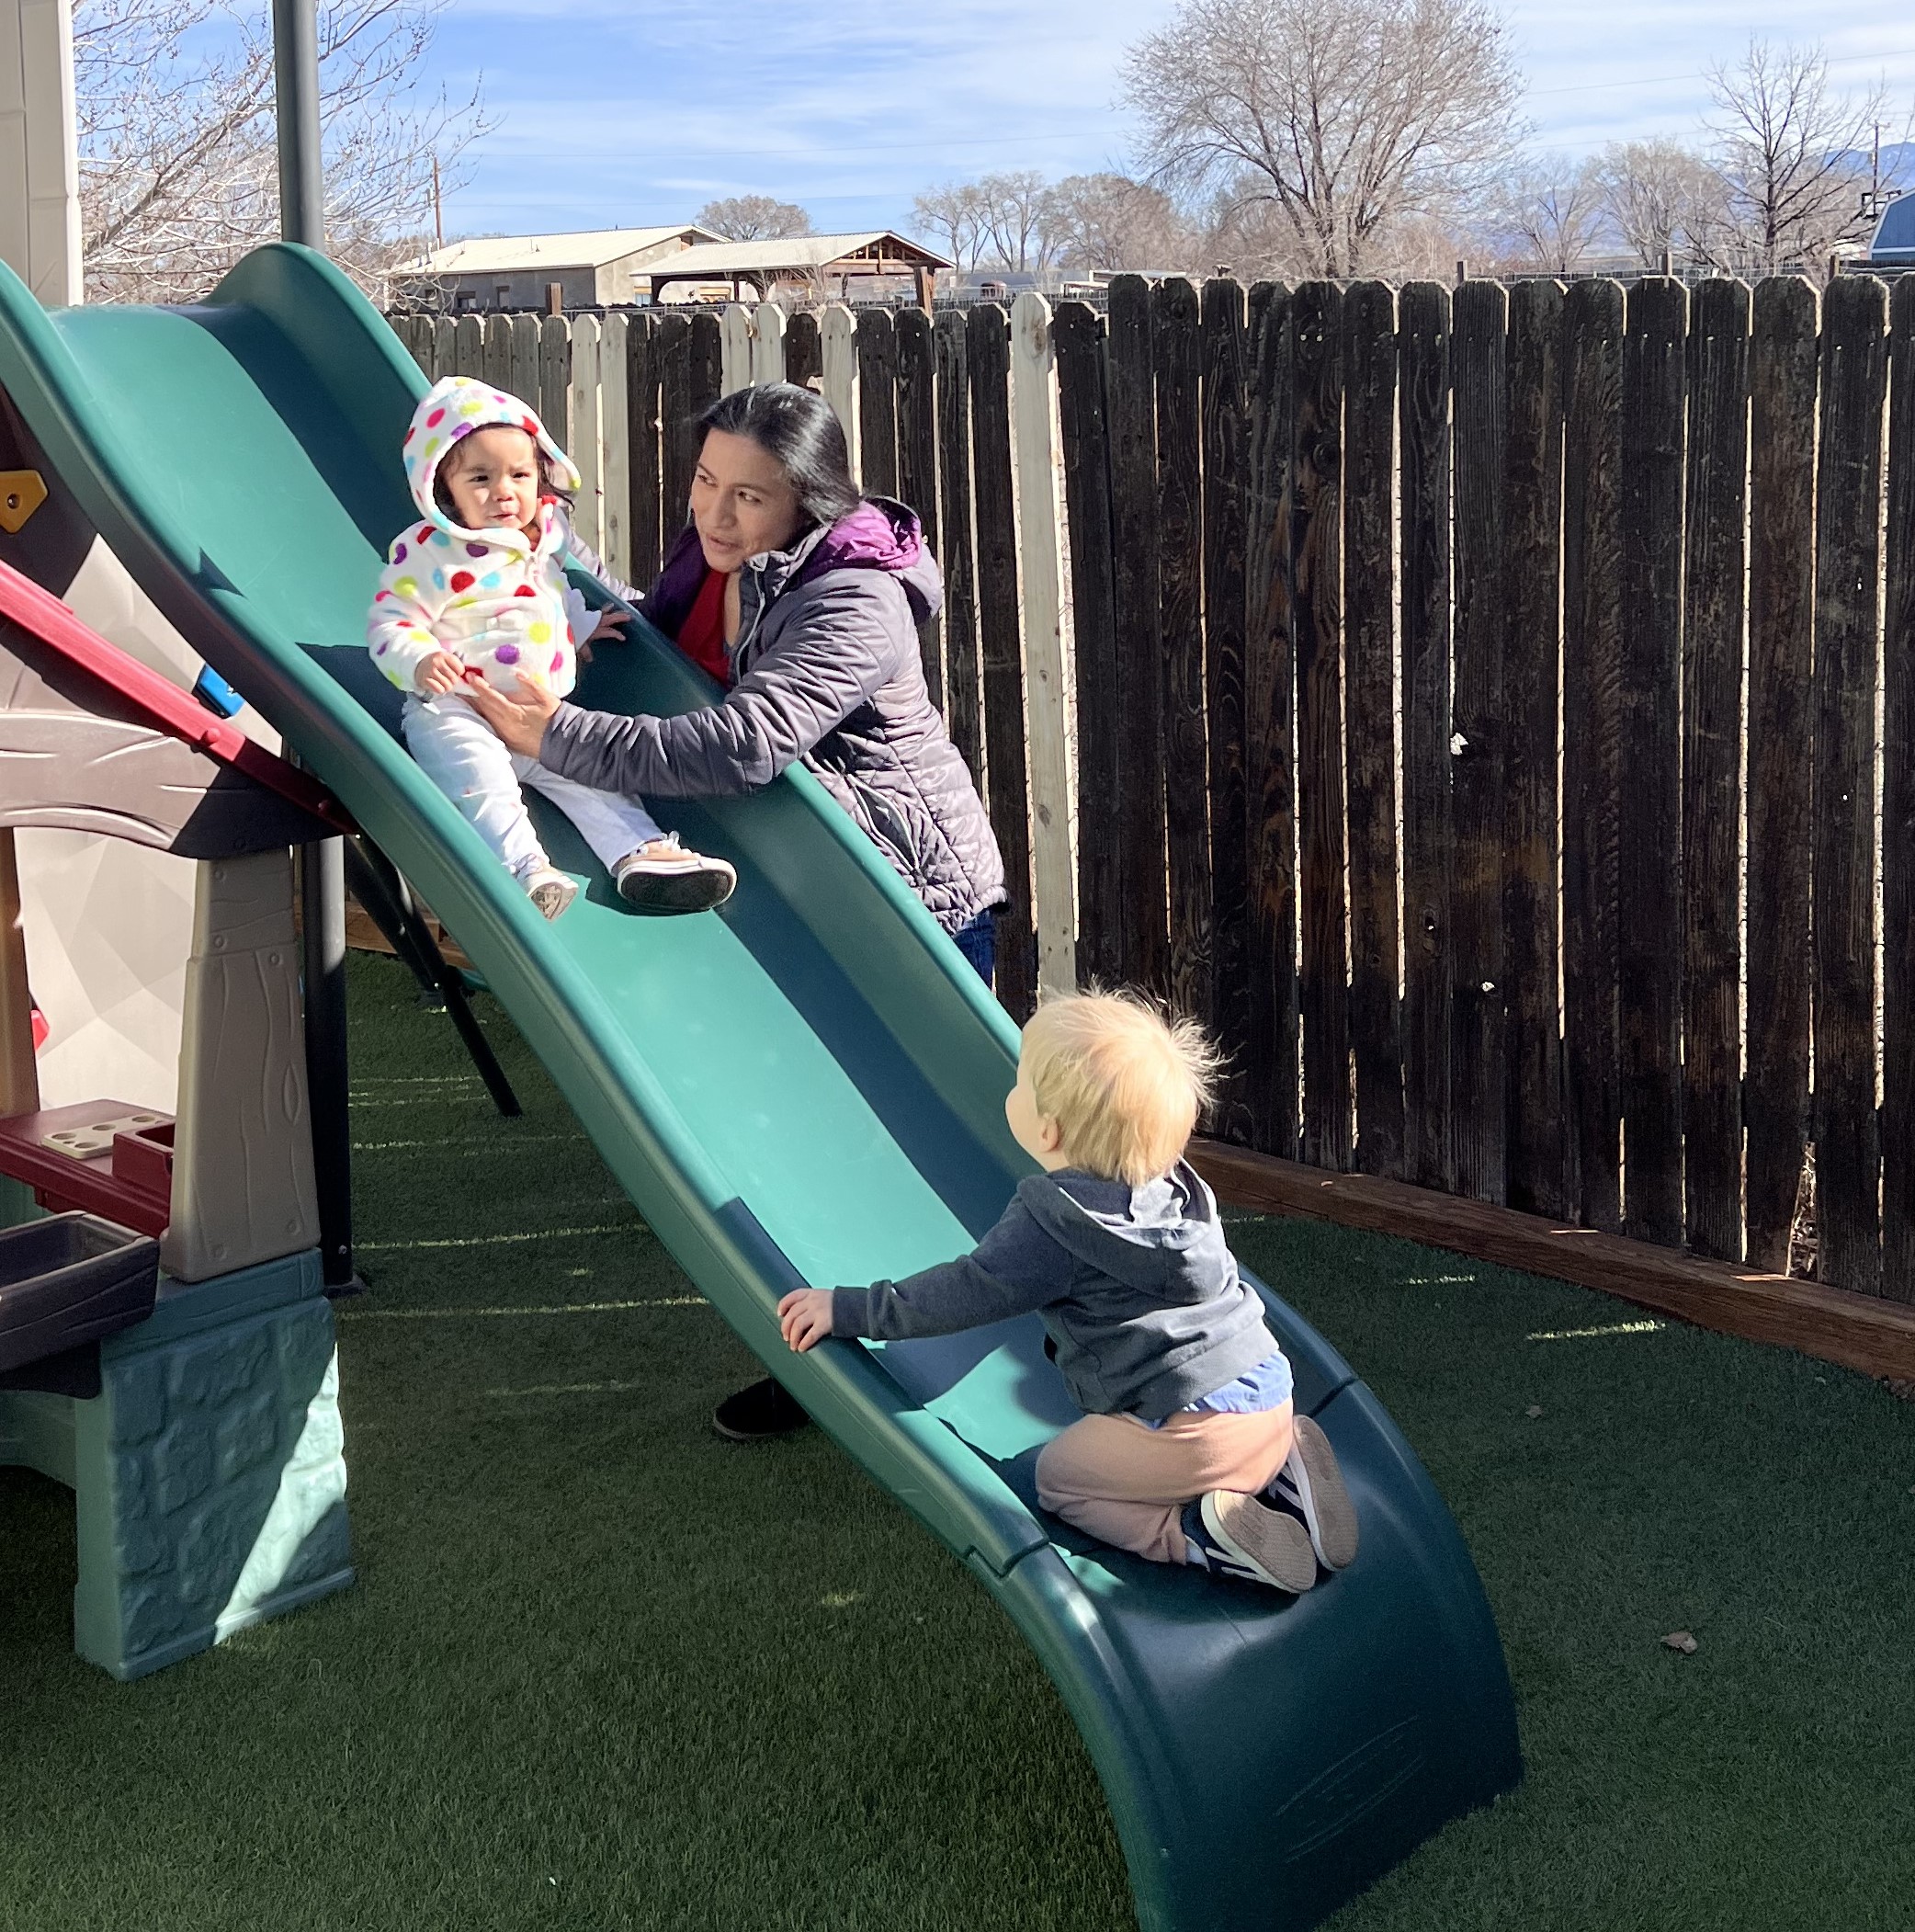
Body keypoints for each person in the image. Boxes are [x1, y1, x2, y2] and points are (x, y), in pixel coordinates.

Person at [459, 381, 1006, 1439]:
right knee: (815, 1138)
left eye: (748, 498)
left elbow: (742, 740)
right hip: (816, 895)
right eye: (706, 482)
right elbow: (667, 657)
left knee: (945, 1143)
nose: (714, 515)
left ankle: (1010, 1347)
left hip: (915, 896)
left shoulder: (855, 598)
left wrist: (549, 736)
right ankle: (831, 1364)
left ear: (808, 502)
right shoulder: (727, 566)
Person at [777, 991, 1359, 1590]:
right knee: (1215, 1438)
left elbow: (966, 1290)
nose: (1014, 1086)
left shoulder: (1056, 1222)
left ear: (1048, 1131)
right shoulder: (1179, 1193)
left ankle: (1198, 1536)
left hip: (1199, 1436)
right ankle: (1285, 1474)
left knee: (1059, 1479)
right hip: (1272, 1391)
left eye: (1022, 1082)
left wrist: (850, 1309)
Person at [368, 374, 736, 920]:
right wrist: (419, 659)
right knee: (480, 787)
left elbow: (552, 595)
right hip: (457, 711)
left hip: (539, 712)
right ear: (441, 488)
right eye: (480, 478)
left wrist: (582, 627)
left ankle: (643, 853)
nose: (503, 492)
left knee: (594, 779)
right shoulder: (429, 554)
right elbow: (391, 622)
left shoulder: (546, 534)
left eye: (519, 474)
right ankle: (524, 870)